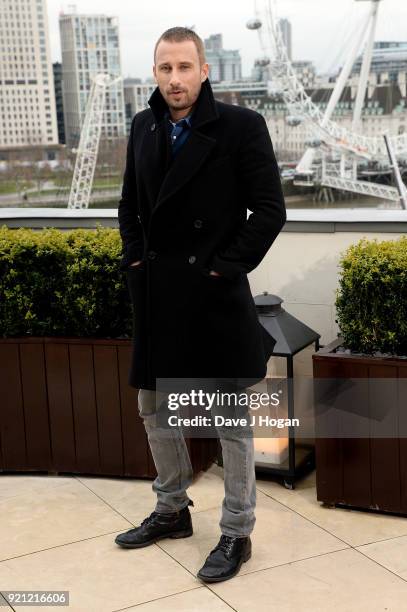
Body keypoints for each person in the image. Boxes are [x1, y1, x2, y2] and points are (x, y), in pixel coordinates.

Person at [116, 26, 286, 583]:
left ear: (204, 69)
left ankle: (237, 531)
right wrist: (138, 259)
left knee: (229, 421)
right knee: (153, 408)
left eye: (184, 67)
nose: (174, 79)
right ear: (156, 71)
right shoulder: (143, 125)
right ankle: (171, 510)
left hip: (212, 295)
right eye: (165, 68)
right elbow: (129, 207)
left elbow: (268, 210)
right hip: (160, 295)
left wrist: (223, 266)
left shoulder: (240, 126)